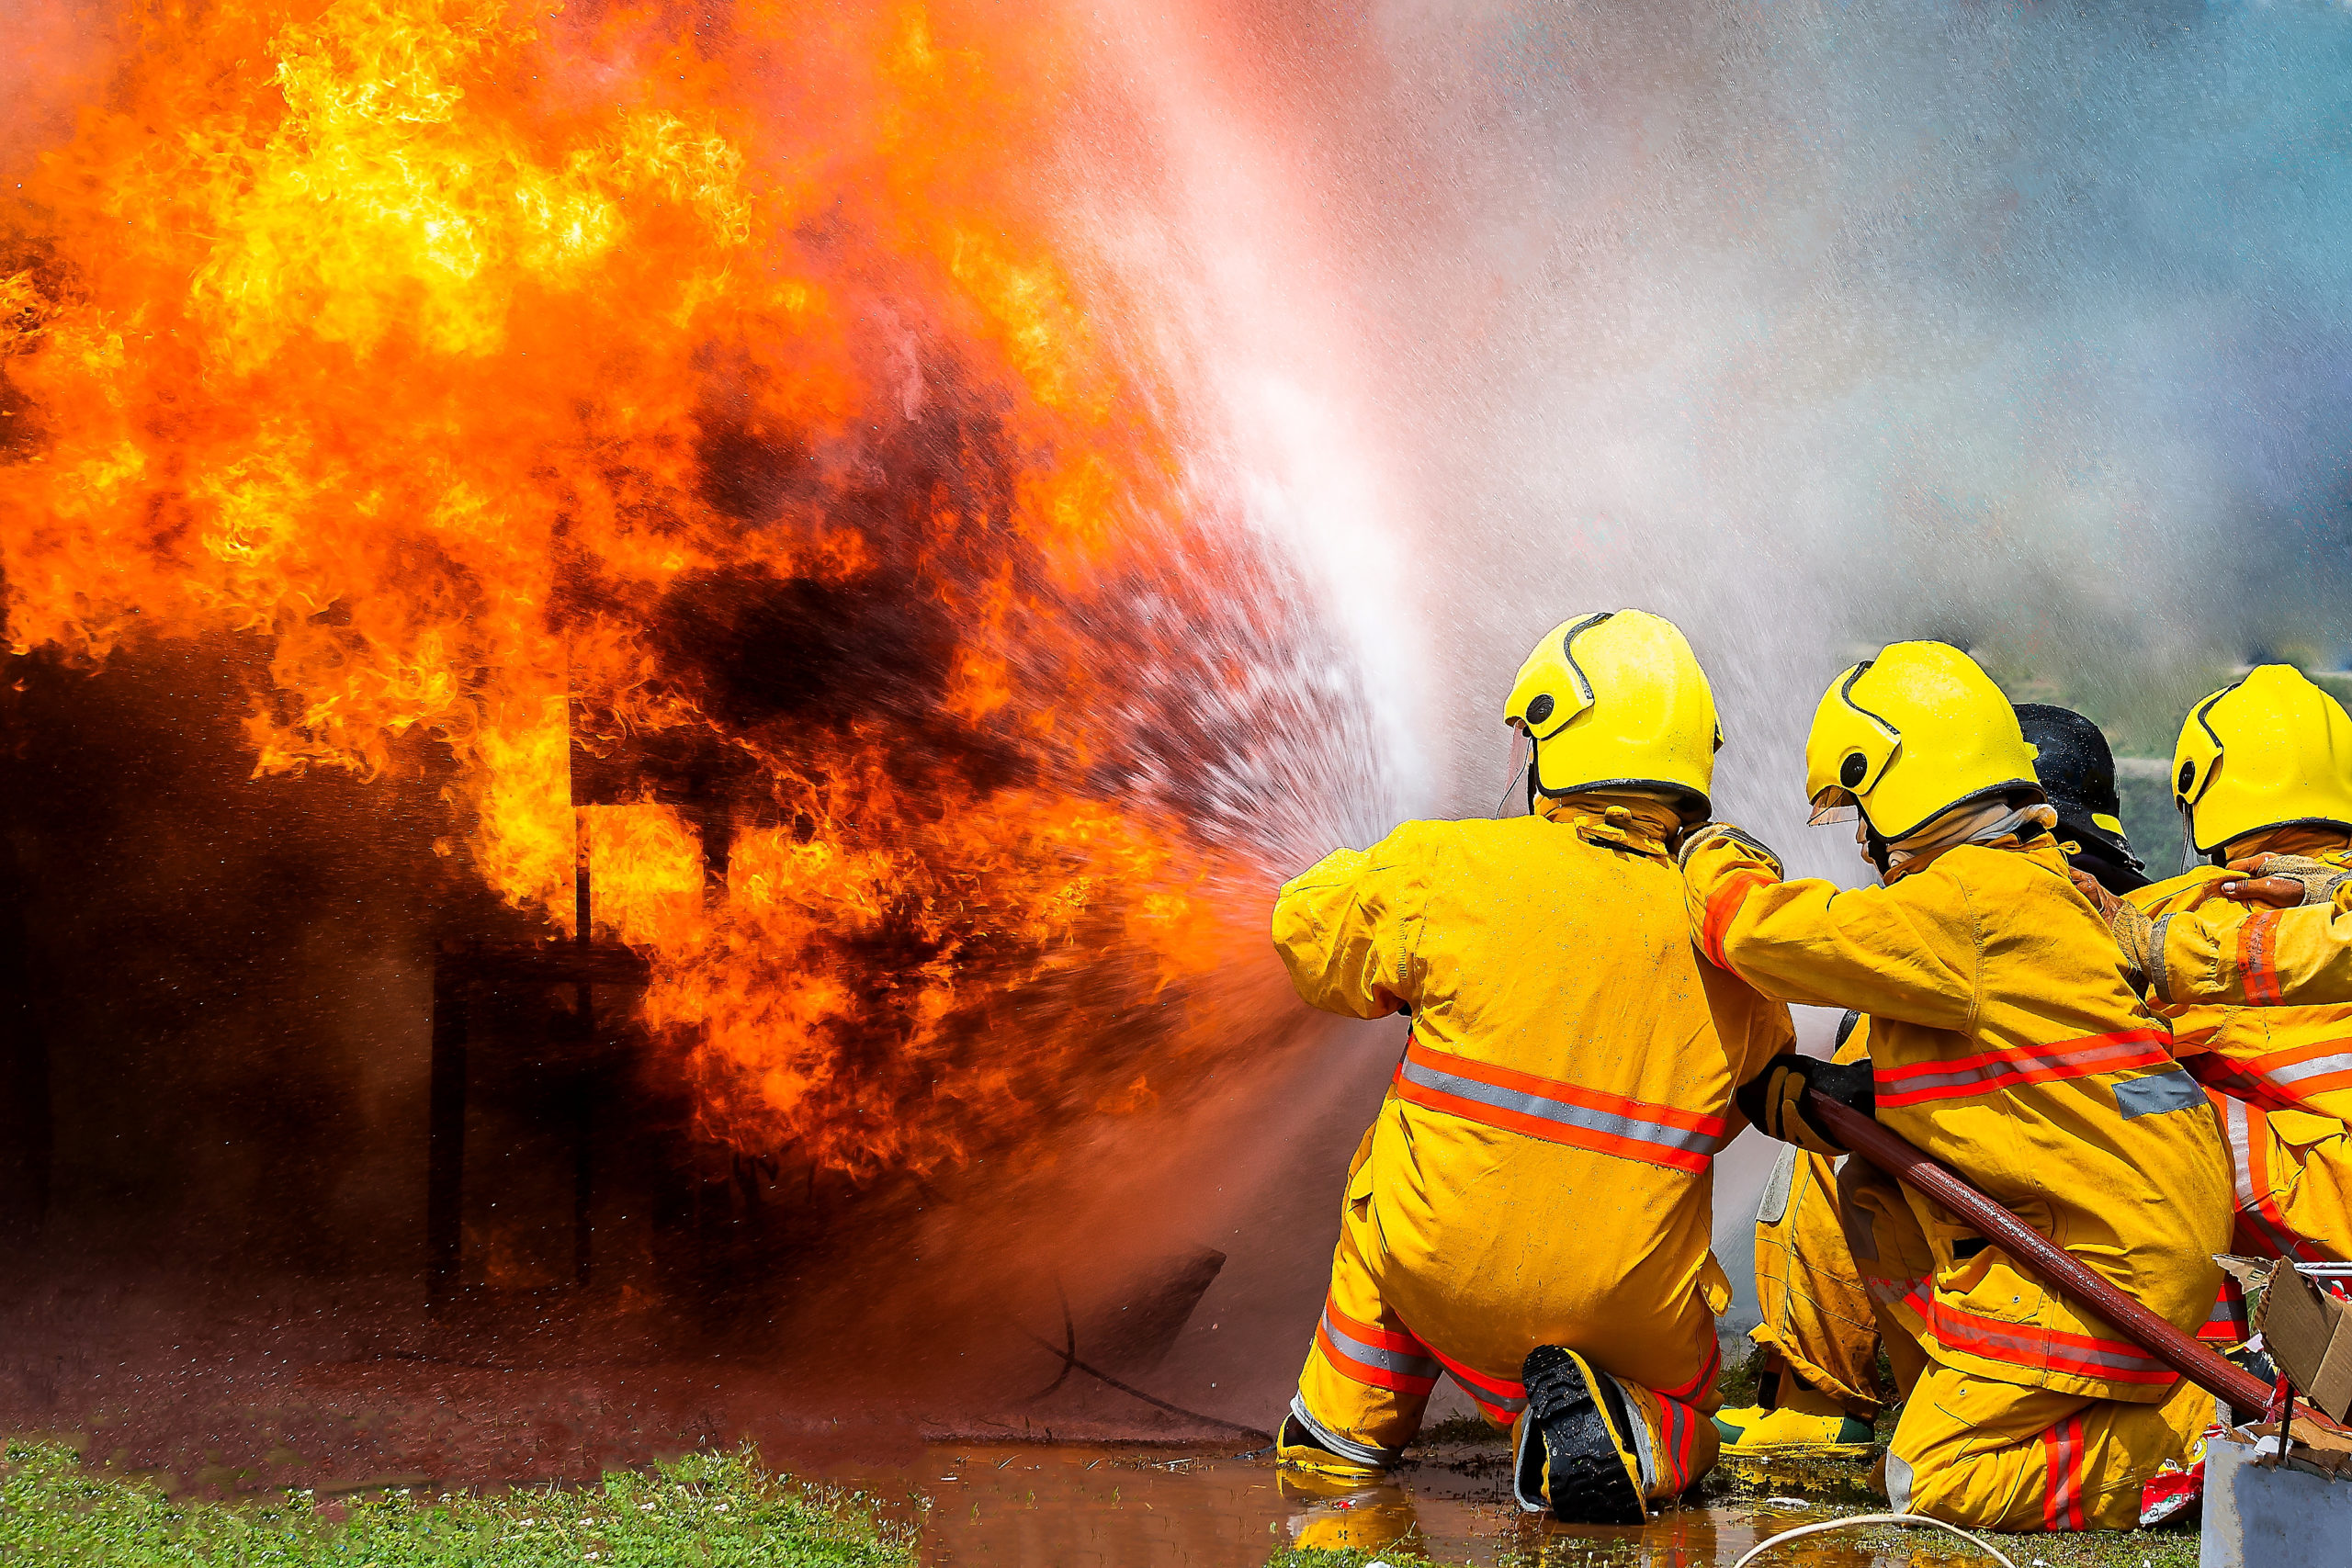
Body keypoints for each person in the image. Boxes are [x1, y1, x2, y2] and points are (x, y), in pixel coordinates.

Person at [1680, 643, 2231, 1531]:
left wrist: (1710, 859)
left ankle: (2190, 1443)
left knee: (1930, 1484)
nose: (1863, 840)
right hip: (2133, 1236)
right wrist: (1826, 1101)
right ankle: (1996, 1393)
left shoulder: (1968, 900)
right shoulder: (2032, 887)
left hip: (2105, 1264)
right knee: (1874, 1188)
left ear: (1901, 782)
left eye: (1863, 810)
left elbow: (1770, 936)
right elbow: (1988, 1099)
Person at [1270, 609, 1793, 1524]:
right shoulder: (1726, 939)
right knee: (1688, 1407)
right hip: (1627, 1310)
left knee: (1384, 1208)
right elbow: (1761, 1084)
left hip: (1436, 1271)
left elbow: (1305, 939)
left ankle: (1343, 1435)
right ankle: (1627, 1429)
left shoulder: (1446, 867)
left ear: (1556, 739)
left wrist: (1356, 879)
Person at [2095, 667, 2352, 1266]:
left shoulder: (2216, 906)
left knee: (2119, 1089)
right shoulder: (2333, 895)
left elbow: (2079, 1004)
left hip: (2332, 1215)